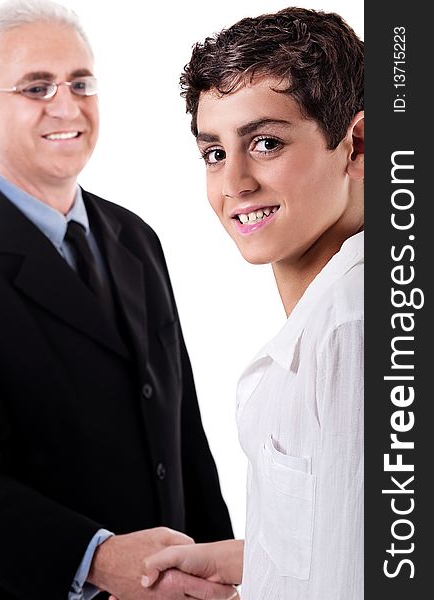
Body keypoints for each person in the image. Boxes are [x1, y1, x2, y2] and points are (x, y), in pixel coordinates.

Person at [0, 1, 236, 599]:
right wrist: (98, 559)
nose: (66, 105)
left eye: (81, 83)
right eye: (37, 86)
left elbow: (184, 429)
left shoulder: (136, 238)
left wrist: (218, 566)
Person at [141, 7, 364, 599]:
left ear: (357, 144)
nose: (234, 183)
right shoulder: (335, 313)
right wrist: (252, 561)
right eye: (214, 152)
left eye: (266, 143)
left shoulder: (353, 326)